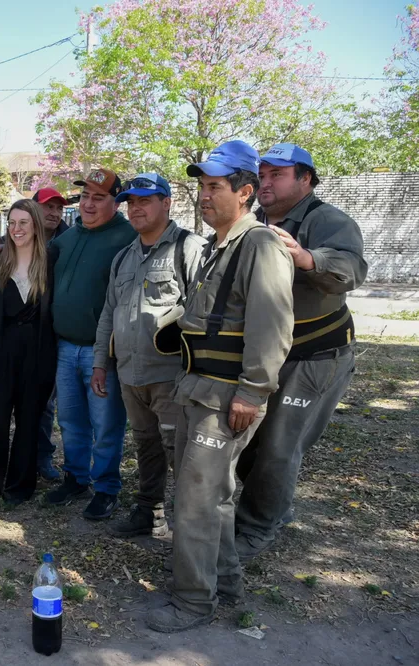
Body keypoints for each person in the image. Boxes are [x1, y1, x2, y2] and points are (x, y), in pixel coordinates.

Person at [145, 140, 294, 633]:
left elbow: (272, 326)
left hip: (226, 397)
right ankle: (224, 582)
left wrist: (252, 392)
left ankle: (192, 602)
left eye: (214, 187)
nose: (203, 196)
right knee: (213, 497)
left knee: (196, 501)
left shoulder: (261, 245)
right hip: (198, 390)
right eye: (202, 187)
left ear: (245, 191)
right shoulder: (219, 245)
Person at [234, 144, 368, 560]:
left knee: (278, 445)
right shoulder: (251, 223)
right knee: (249, 444)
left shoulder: (325, 219)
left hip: (315, 357)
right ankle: (273, 506)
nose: (267, 181)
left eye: (278, 174)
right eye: (264, 173)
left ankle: (256, 527)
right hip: (266, 356)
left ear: (305, 179)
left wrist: (306, 257)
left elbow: (351, 270)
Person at [91, 173, 206, 536]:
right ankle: (149, 511)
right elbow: (109, 312)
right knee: (146, 445)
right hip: (130, 374)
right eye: (132, 202)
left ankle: (191, 529)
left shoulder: (189, 248)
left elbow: (203, 313)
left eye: (145, 200)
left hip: (171, 376)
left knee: (179, 452)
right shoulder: (124, 258)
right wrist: (99, 362)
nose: (136, 208)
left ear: (167, 203)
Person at [45, 168, 137, 522]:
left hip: (104, 353)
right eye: (85, 196)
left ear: (117, 203)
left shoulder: (126, 239)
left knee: (107, 423)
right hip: (66, 347)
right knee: (69, 420)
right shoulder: (66, 239)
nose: (89, 203)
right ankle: (76, 477)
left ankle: (106, 488)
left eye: (99, 197)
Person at [0, 199, 58, 512]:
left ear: (35, 224)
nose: (17, 229)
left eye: (23, 222)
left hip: (38, 351)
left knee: (29, 421)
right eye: (12, 223)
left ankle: (20, 487)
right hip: (1, 350)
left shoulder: (51, 260)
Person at [31, 186, 70, 481]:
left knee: (46, 401)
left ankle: (43, 457)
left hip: (53, 334)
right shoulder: (16, 239)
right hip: (18, 334)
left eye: (58, 208)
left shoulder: (69, 242)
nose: (54, 213)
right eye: (48, 207)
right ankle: (16, 455)